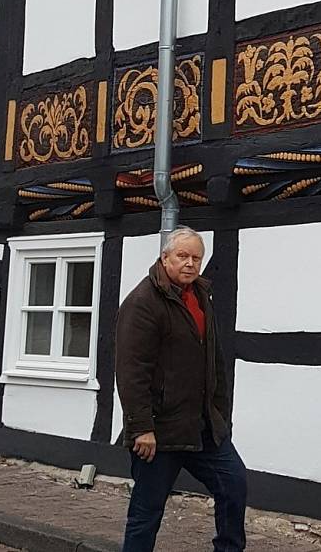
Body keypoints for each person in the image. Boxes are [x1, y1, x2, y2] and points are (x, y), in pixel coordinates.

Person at [116, 226, 246, 552]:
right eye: (182, 256)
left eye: (196, 257)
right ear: (165, 258)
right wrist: (141, 427)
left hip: (202, 427)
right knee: (147, 513)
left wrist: (220, 415)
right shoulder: (143, 302)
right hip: (159, 433)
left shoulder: (201, 296)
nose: (190, 263)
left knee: (234, 485)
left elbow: (214, 361)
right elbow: (132, 371)